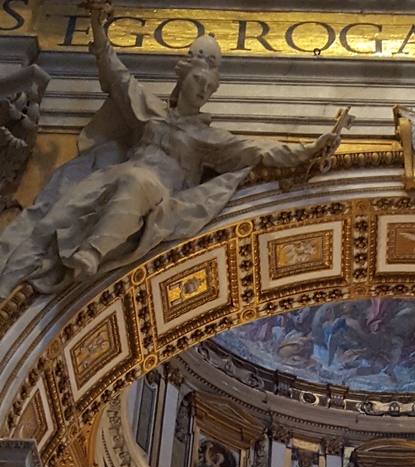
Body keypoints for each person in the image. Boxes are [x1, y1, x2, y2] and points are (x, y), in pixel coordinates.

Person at [0, 1, 349, 296]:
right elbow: (116, 75)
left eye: (209, 87)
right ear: (182, 79)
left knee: (137, 181)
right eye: (199, 82)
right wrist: (97, 23)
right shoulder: (149, 109)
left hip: (155, 188)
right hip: (115, 173)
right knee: (51, 220)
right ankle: (8, 284)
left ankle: (92, 250)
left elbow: (260, 149)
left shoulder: (209, 138)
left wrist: (311, 148)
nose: (203, 91)